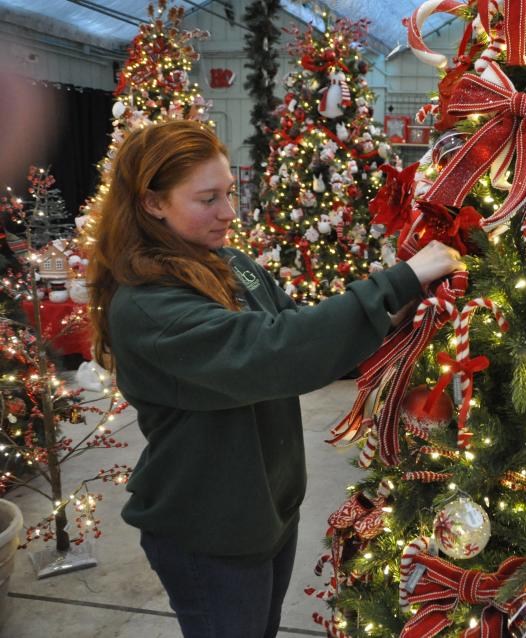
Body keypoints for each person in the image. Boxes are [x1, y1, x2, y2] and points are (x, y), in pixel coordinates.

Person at [86, 119, 464, 638]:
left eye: (230, 193)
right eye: (207, 199)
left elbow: (295, 330)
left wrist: (396, 312)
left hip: (266, 512)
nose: (228, 212)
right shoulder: (148, 305)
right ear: (153, 203)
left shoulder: (231, 263)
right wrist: (396, 282)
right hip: (210, 530)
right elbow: (271, 352)